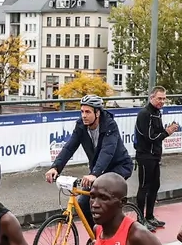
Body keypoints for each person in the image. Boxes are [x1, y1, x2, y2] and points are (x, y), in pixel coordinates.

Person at [45, 95, 134, 228]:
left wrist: (95, 174)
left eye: (88, 112)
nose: (84, 115)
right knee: (83, 205)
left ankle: (115, 233)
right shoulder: (81, 126)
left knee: (106, 202)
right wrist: (56, 168)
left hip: (119, 167)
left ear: (97, 113)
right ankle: (97, 235)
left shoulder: (109, 125)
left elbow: (107, 152)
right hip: (97, 171)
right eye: (82, 111)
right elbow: (70, 147)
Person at [133, 86, 181, 230]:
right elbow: (151, 137)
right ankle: (140, 218)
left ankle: (150, 216)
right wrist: (167, 132)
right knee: (144, 187)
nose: (162, 101)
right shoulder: (144, 114)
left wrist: (168, 129)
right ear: (151, 98)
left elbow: (158, 132)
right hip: (145, 155)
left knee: (155, 186)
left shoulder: (157, 113)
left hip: (155, 155)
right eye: (159, 98)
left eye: (164, 99)